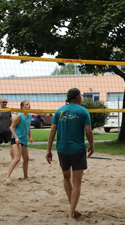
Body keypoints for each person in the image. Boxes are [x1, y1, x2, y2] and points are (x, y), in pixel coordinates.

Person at [46, 88, 94, 219]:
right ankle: (71, 213)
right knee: (77, 182)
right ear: (78, 97)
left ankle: (72, 207)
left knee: (66, 177)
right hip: (77, 150)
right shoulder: (83, 111)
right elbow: (88, 131)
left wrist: (48, 150)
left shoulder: (59, 111)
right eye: (81, 96)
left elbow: (52, 131)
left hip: (62, 149)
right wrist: (92, 145)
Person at [5, 100, 34, 181]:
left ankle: (25, 176)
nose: (29, 105)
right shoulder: (19, 116)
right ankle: (7, 176)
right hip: (16, 139)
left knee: (26, 159)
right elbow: (11, 127)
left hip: (24, 140)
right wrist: (16, 137)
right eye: (27, 104)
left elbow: (28, 128)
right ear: (22, 107)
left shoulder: (29, 116)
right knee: (17, 158)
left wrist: (30, 137)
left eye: (29, 104)